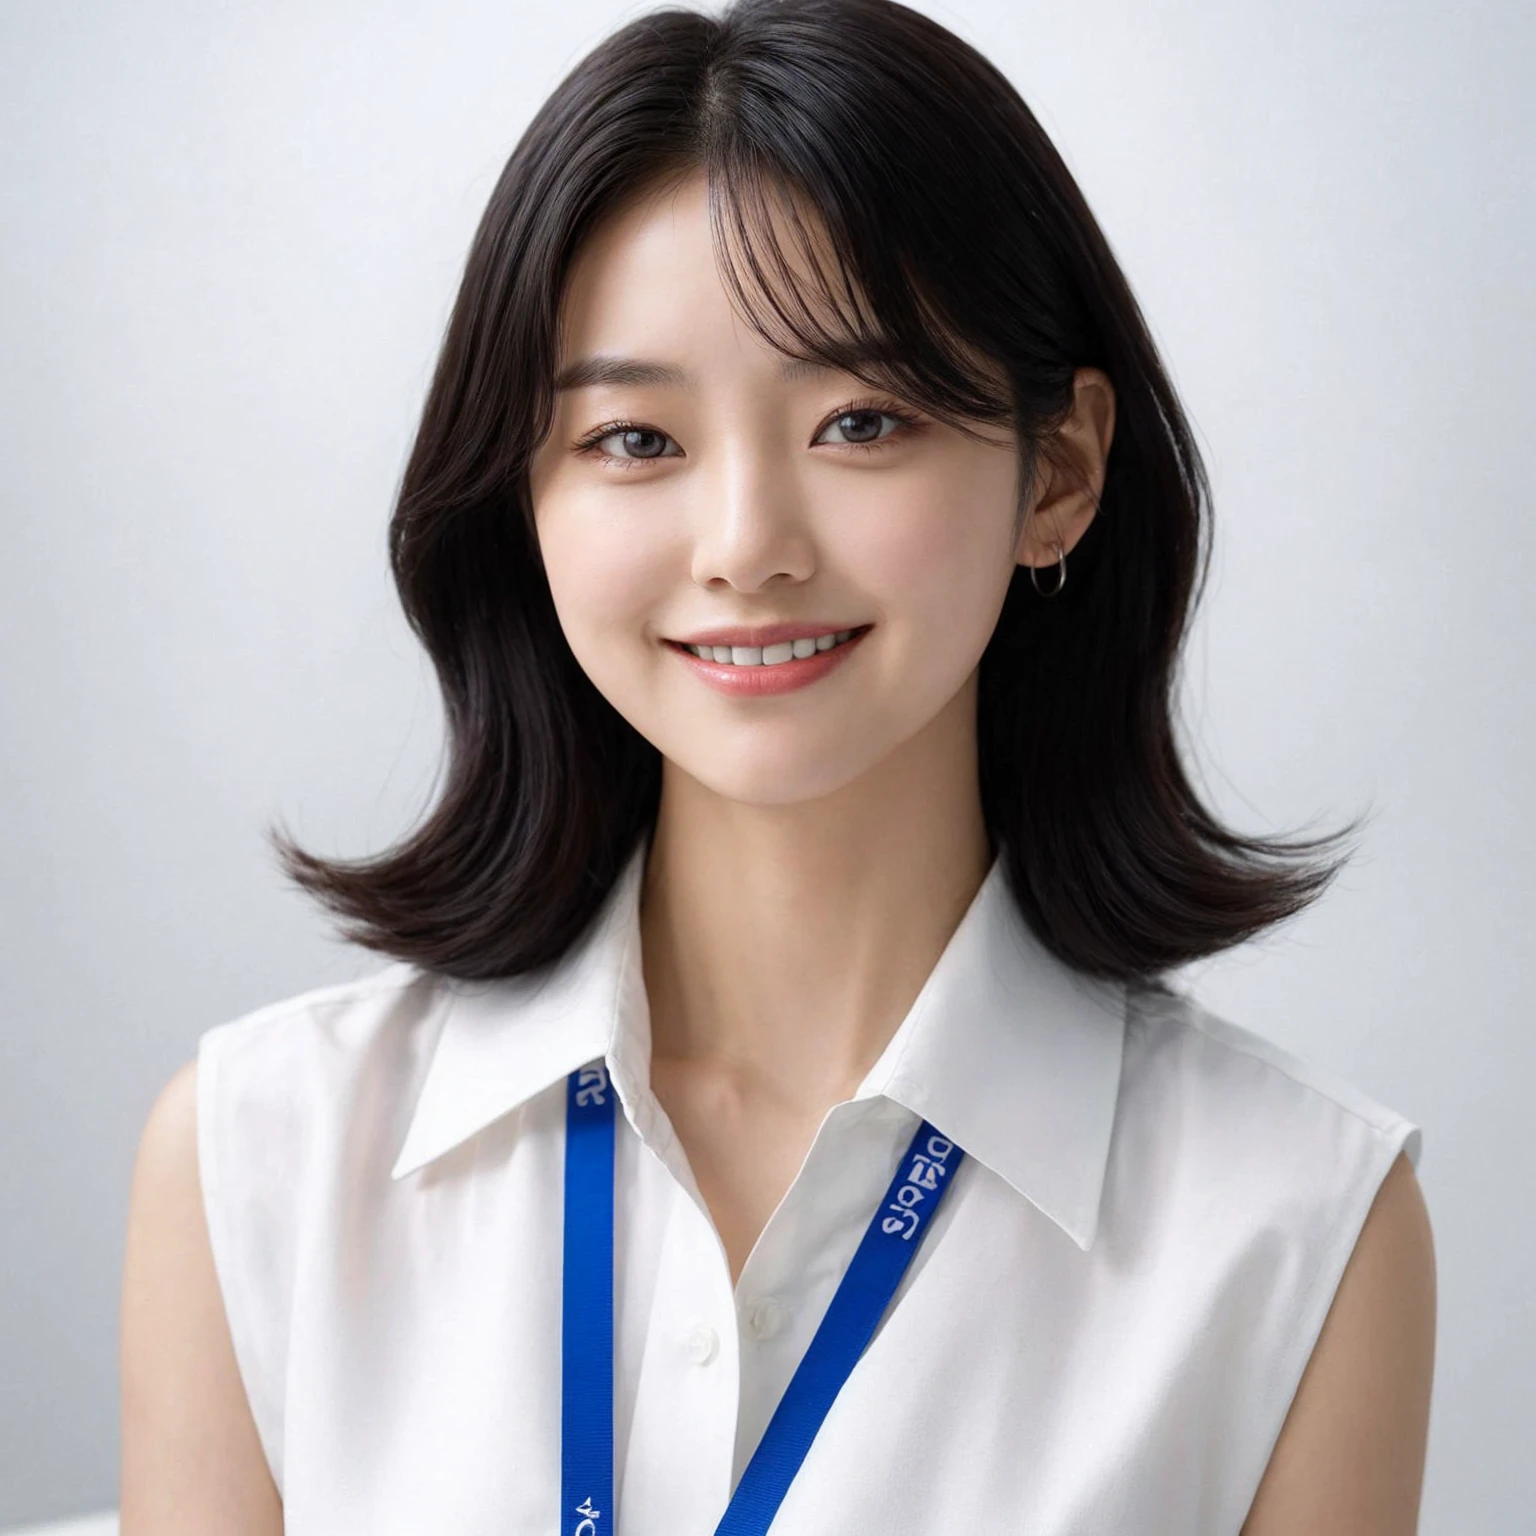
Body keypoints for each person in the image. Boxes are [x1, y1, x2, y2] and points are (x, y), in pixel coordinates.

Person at [119, 0, 1436, 1530]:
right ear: (521, 493)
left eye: (859, 420)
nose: (746, 545)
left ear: (1060, 473)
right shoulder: (256, 1161)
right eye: (633, 440)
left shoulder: (1301, 1228)